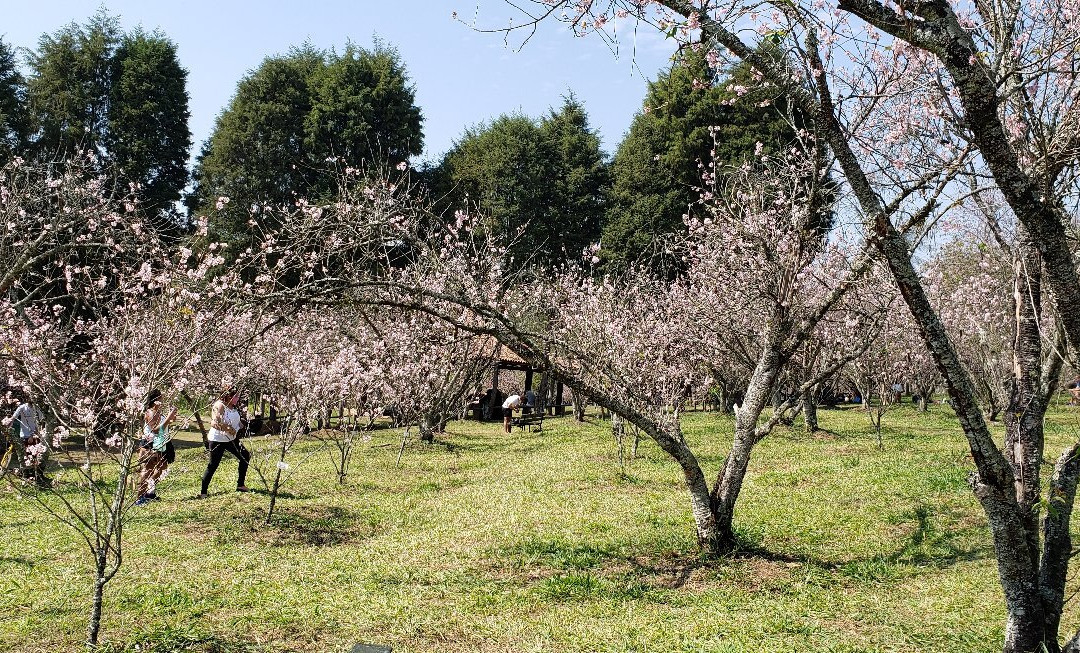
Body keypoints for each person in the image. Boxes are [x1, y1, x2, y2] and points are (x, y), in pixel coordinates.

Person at [199, 387, 251, 498]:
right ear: (228, 396)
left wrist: (243, 425)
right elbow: (214, 423)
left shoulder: (234, 407)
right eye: (235, 396)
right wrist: (228, 428)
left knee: (245, 455)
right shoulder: (220, 405)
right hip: (217, 439)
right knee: (213, 465)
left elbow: (235, 421)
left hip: (231, 439)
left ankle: (240, 485)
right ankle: (203, 492)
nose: (237, 398)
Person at [135, 389, 177, 506]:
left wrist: (171, 418)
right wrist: (168, 418)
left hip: (162, 443)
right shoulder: (151, 412)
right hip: (151, 444)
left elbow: (164, 426)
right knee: (148, 470)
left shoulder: (158, 412)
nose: (162, 400)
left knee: (162, 468)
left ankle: (150, 493)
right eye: (160, 398)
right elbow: (156, 429)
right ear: (155, 400)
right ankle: (139, 497)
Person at [9, 398, 46, 482]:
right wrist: (7, 424)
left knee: (35, 456)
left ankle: (35, 475)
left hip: (34, 436)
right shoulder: (22, 407)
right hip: (24, 435)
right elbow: (13, 418)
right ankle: (26, 475)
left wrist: (34, 435)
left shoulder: (36, 409)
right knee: (24, 456)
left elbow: (41, 422)